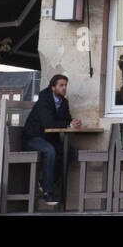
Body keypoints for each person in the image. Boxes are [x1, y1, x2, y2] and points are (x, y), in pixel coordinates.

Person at [22, 74, 81, 207]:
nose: (64, 88)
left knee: (71, 152)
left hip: (49, 139)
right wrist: (67, 124)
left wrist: (73, 122)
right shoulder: (44, 100)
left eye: (65, 85)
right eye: (61, 85)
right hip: (33, 138)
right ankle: (48, 193)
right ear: (53, 87)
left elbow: (66, 119)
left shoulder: (64, 102)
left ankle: (47, 181)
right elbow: (48, 122)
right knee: (50, 151)